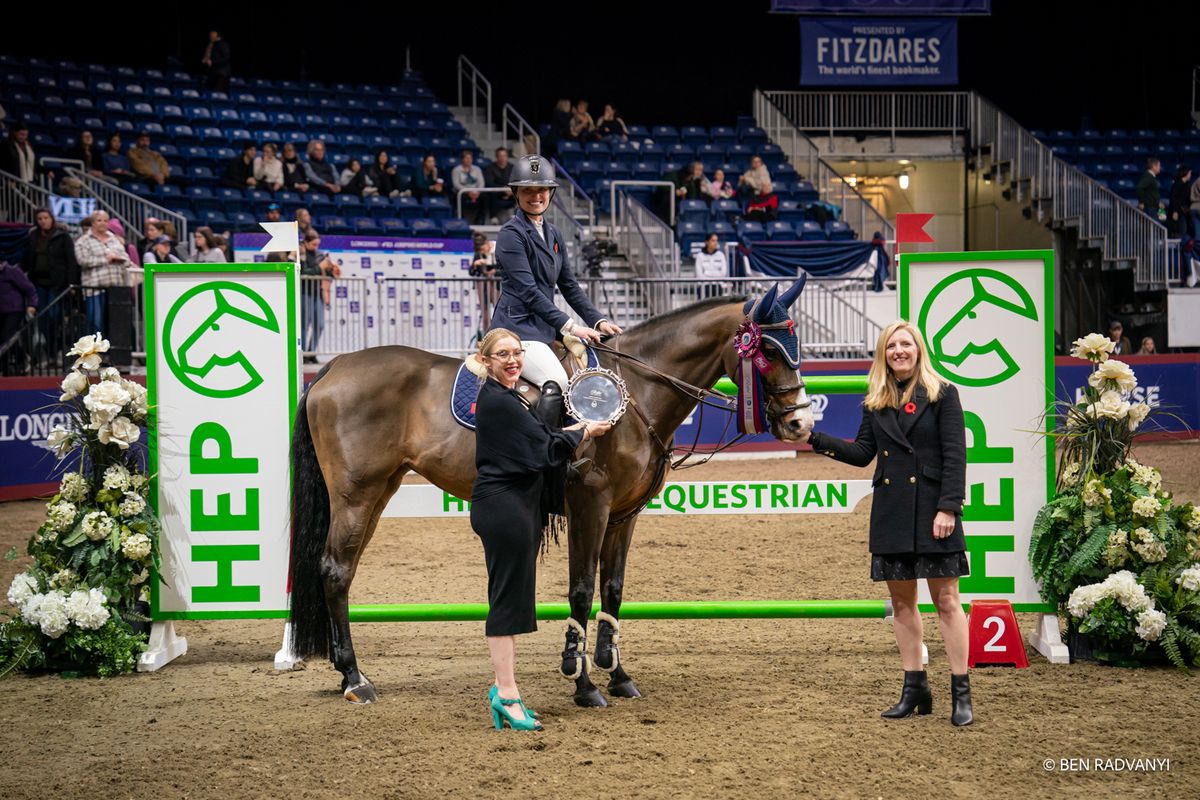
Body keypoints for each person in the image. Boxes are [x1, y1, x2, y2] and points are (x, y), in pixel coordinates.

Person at [803, 320, 973, 726]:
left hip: (935, 512)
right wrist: (814, 438)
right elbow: (863, 453)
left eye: (906, 344)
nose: (899, 350)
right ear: (883, 353)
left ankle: (960, 691)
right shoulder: (874, 399)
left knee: (947, 602)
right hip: (893, 511)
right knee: (901, 603)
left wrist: (949, 507)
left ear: (918, 350)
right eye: (892, 345)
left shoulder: (943, 393)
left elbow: (955, 455)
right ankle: (914, 687)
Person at [470, 327, 611, 731]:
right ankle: (507, 694)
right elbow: (544, 449)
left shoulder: (507, 396)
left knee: (511, 601)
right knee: (506, 605)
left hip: (515, 507)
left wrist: (572, 430)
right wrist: (585, 430)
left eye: (517, 353)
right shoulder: (498, 402)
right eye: (502, 354)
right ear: (486, 361)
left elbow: (545, 435)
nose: (513, 360)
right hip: (506, 508)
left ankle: (506, 691)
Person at [491, 155, 622, 455]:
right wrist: (572, 326)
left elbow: (569, 286)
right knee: (558, 380)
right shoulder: (510, 235)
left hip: (545, 327)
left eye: (542, 191)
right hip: (518, 330)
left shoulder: (553, 234)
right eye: (528, 191)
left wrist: (598, 320)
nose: (536, 197)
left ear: (550, 193)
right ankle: (541, 454)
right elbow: (528, 292)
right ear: (516, 194)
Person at [19, 207, 79, 345]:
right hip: (38, 283)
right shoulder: (33, 236)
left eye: (46, 218)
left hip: (57, 284)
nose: (43, 221)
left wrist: (71, 283)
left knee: (54, 316)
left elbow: (71, 261)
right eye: (40, 219)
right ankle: (50, 351)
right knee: (42, 317)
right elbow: (26, 259)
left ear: (52, 219)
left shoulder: (62, 236)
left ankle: (57, 347)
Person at [73, 210, 133, 332]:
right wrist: (106, 260)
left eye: (105, 220)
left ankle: (112, 350)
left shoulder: (114, 239)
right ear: (93, 223)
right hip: (94, 288)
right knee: (95, 322)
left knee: (115, 324)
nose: (103, 223)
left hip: (115, 287)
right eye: (99, 220)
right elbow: (82, 261)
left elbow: (126, 259)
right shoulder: (83, 241)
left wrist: (119, 259)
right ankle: (95, 350)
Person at [299, 229, 339, 362]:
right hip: (305, 292)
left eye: (318, 245)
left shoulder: (321, 255)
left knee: (319, 324)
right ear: (306, 242)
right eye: (314, 244)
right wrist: (319, 267)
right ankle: (303, 354)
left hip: (318, 293)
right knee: (304, 325)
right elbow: (303, 272)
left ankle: (311, 352)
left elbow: (329, 274)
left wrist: (331, 268)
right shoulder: (301, 255)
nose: (316, 248)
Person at [0, 259, 37, 375]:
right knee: (3, 339)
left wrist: (32, 304)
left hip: (14, 309)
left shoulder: (12, 271)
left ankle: (22, 360)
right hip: (1, 311)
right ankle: (7, 368)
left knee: (8, 337)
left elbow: (29, 288)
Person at [451, 150, 485, 224]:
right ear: (462, 159)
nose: (468, 160)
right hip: (463, 192)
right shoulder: (456, 170)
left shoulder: (477, 169)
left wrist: (478, 192)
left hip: (476, 192)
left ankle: (479, 221)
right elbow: (456, 184)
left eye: (470, 158)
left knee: (485, 197)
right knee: (459, 196)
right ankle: (462, 219)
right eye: (466, 158)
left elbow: (481, 183)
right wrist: (468, 191)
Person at [483, 147, 515, 224]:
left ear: (507, 157)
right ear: (496, 157)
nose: (502, 158)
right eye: (500, 156)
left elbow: (516, 181)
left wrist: (510, 189)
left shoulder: (512, 167)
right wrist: (503, 190)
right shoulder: (489, 168)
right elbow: (489, 183)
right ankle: (493, 218)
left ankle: (515, 215)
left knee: (520, 192)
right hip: (495, 192)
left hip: (510, 192)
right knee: (489, 194)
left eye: (504, 156)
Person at [1169, 165, 1191, 238]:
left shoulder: (1187, 185)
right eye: (1189, 173)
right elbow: (1173, 198)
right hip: (1177, 211)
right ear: (1186, 174)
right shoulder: (1177, 184)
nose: (1190, 175)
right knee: (1181, 230)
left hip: (1184, 211)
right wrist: (1175, 211)